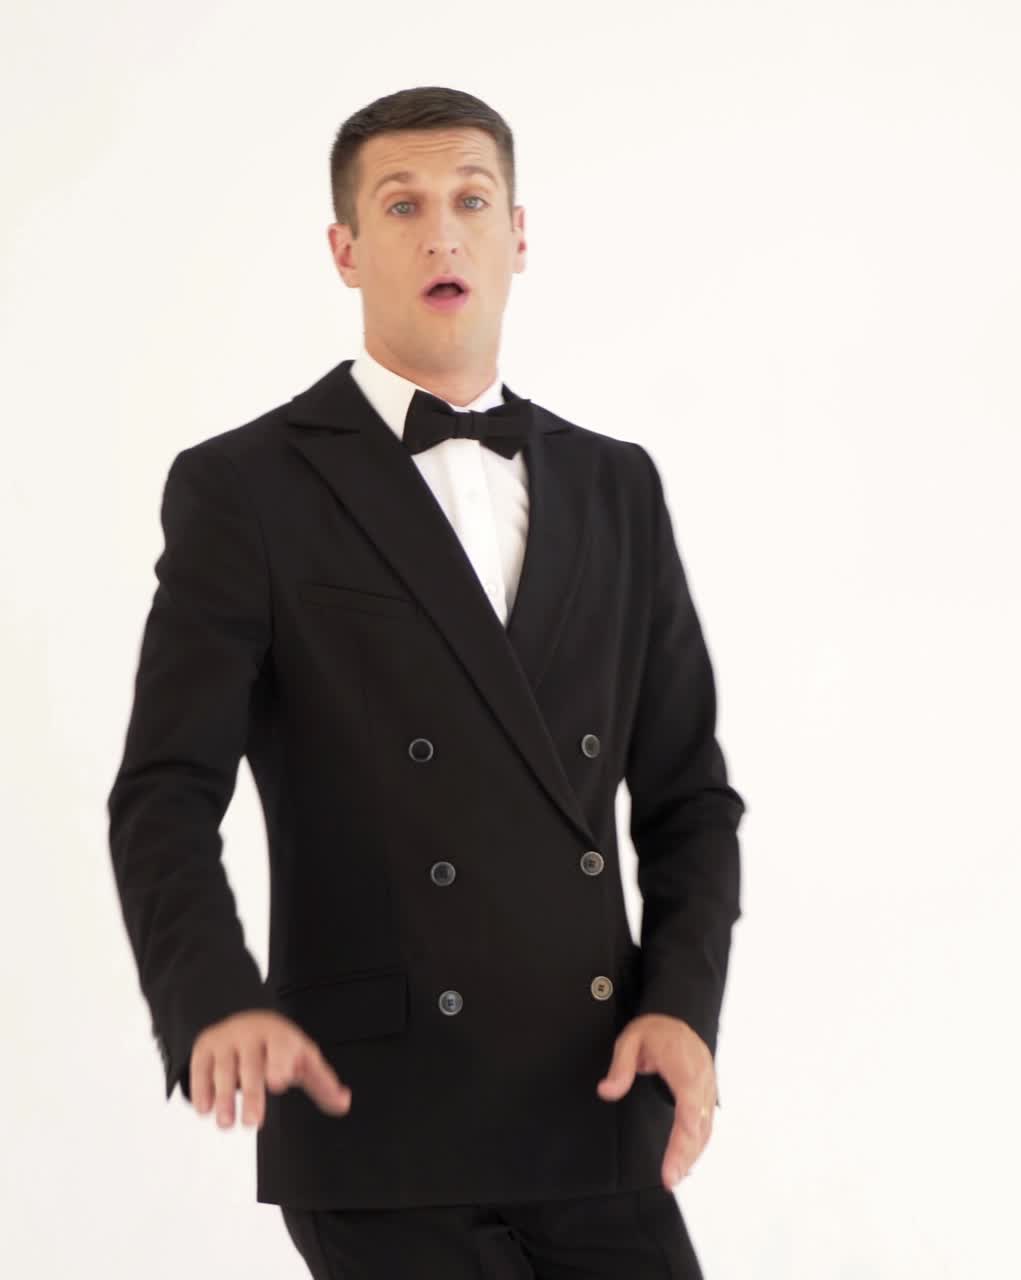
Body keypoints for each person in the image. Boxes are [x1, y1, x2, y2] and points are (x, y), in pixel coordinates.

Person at [106, 85, 746, 1278]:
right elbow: (164, 788)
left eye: (469, 200)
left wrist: (682, 1006)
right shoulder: (245, 485)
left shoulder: (616, 485)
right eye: (401, 206)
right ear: (345, 250)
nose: (441, 232)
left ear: (517, 236)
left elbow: (686, 799)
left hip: (597, 1097)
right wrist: (212, 996)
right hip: (376, 1114)